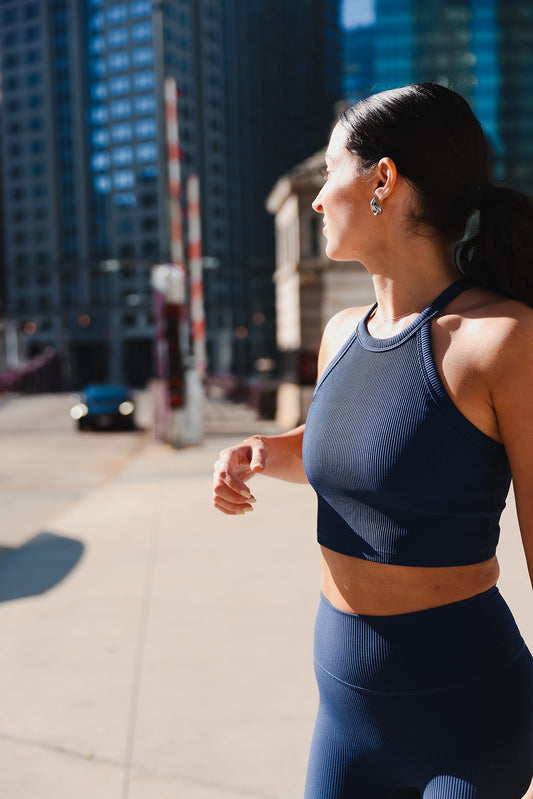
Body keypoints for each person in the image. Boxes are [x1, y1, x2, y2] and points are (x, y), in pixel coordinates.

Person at [212, 83, 533, 799]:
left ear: (383, 179)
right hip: (345, 717)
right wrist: (265, 451)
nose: (319, 198)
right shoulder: (339, 334)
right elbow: (356, 453)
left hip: (464, 721)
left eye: (330, 172)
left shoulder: (501, 341)